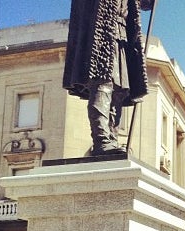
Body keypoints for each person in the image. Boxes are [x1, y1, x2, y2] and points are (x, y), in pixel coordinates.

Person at [62, 0, 154, 156]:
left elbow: (145, 3)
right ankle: (102, 141)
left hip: (122, 34)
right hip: (101, 32)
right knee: (103, 85)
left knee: (119, 90)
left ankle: (112, 137)